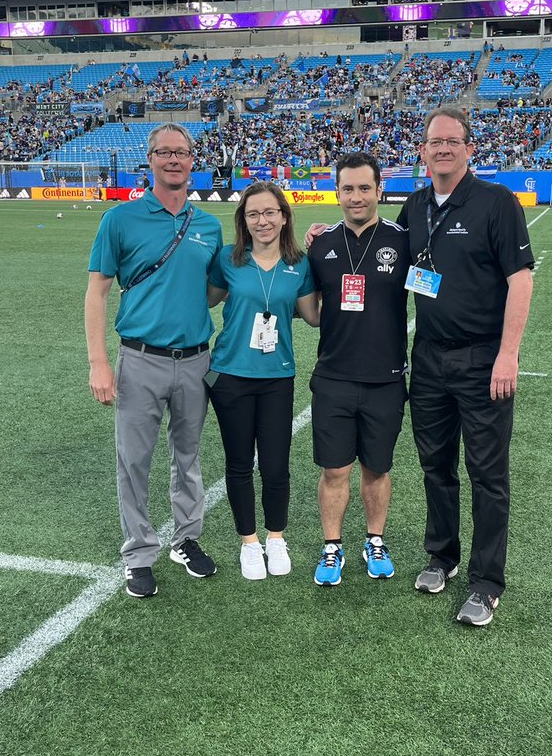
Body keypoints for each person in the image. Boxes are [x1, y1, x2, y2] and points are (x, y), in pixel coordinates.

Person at [396, 105, 534, 627]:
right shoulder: (414, 206)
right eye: (435, 142)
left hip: (482, 358)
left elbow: (520, 279)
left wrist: (508, 353)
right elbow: (388, 250)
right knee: (435, 464)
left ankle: (486, 581)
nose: (443, 149)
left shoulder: (496, 203)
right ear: (423, 150)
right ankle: (442, 556)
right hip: (428, 355)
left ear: (470, 148)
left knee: (487, 473)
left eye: (453, 141)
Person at [85, 123, 223, 600]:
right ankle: (139, 554)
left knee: (188, 457)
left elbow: (211, 292)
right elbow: (97, 292)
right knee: (134, 461)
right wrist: (98, 361)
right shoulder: (119, 220)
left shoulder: (209, 225)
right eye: (163, 153)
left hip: (195, 360)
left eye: (181, 153)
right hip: (139, 359)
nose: (173, 161)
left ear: (192, 160)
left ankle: (186, 539)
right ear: (150, 160)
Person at [206, 183, 319, 580]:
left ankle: (275, 537)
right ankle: (249, 543)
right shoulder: (227, 259)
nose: (262, 221)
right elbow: (207, 299)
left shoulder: (300, 263)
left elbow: (314, 316)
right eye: (253, 214)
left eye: (270, 212)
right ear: (243, 221)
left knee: (275, 465)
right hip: (229, 375)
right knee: (238, 463)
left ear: (284, 216)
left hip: (277, 376)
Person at [308, 152, 410, 587]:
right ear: (337, 193)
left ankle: (375, 539)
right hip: (333, 376)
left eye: (364, 188)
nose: (356, 196)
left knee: (377, 468)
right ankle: (332, 546)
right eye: (347, 188)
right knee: (334, 470)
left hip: (387, 378)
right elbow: (309, 311)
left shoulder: (402, 240)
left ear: (379, 191)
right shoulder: (320, 243)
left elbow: (436, 289)